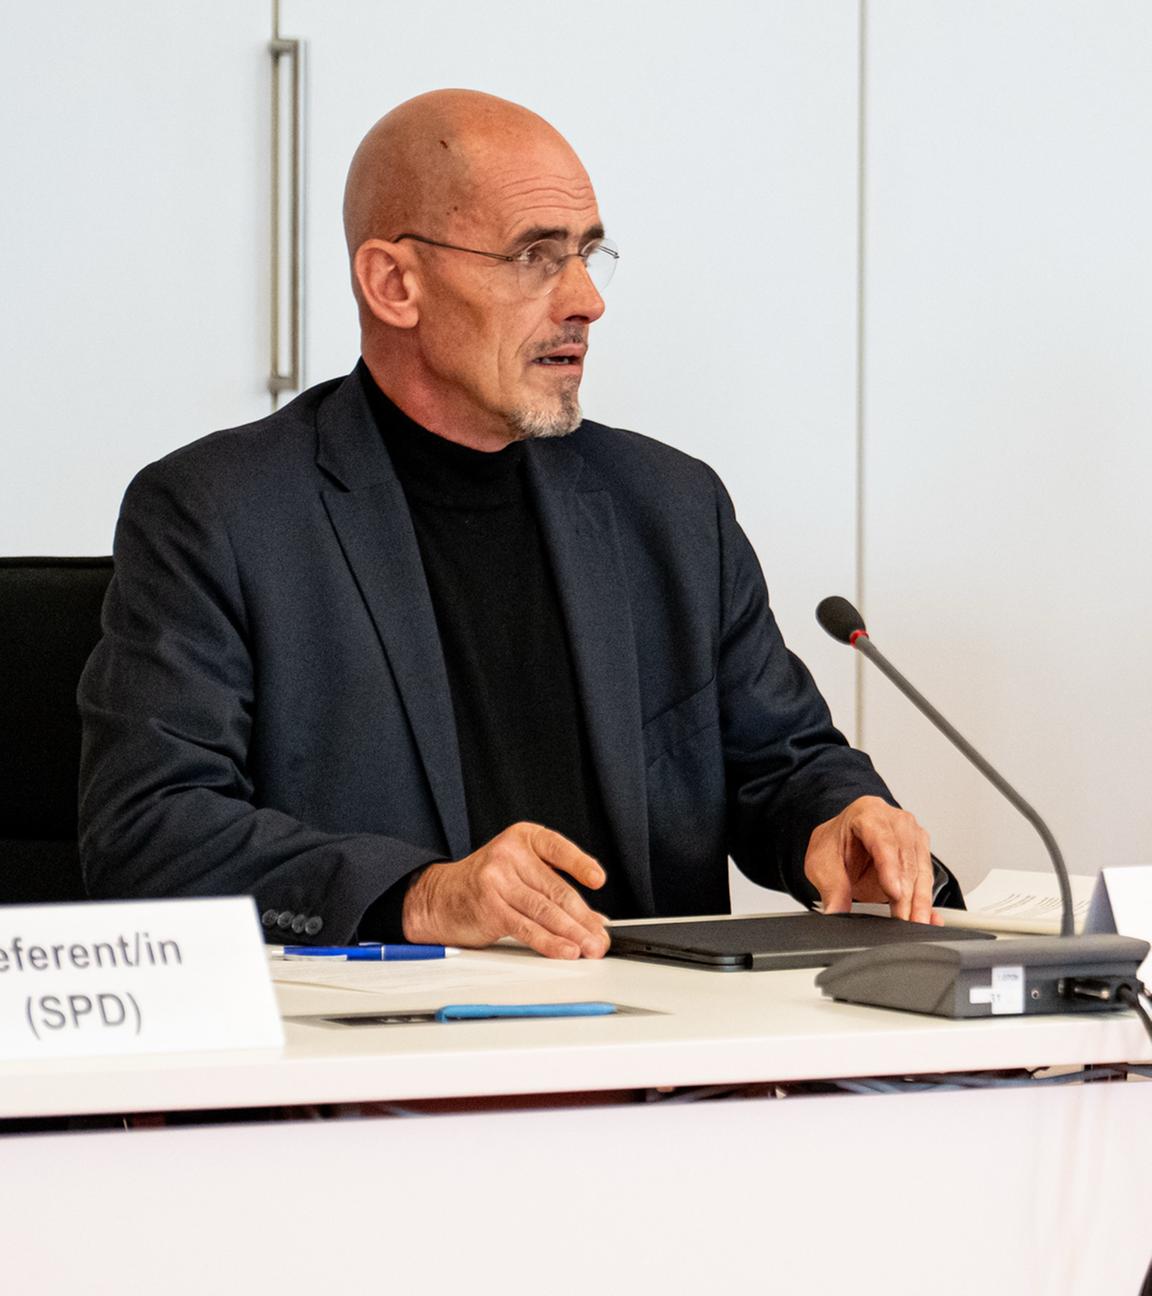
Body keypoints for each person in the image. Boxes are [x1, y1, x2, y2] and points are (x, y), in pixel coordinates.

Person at [78, 89, 959, 959]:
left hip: (664, 1057)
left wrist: (839, 817)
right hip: (395, 1069)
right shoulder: (221, 514)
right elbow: (151, 832)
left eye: (587, 254)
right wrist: (422, 894)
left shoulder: (669, 506)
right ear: (394, 284)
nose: (585, 300)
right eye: (536, 256)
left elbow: (785, 762)